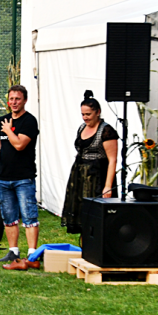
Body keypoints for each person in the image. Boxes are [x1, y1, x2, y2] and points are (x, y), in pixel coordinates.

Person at [0, 85, 40, 270]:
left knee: (29, 215)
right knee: (9, 217)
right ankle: (13, 251)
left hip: (23, 177)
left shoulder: (29, 121)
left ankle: (32, 254)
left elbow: (19, 145)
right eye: (11, 99)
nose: (14, 102)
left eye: (17, 99)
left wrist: (9, 130)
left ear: (25, 100)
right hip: (4, 177)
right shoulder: (3, 120)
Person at [61, 90, 119, 234]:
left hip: (97, 176)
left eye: (88, 114)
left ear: (98, 112)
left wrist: (107, 186)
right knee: (81, 212)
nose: (85, 118)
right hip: (80, 175)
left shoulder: (106, 131)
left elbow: (113, 160)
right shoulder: (82, 127)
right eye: (83, 114)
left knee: (96, 214)